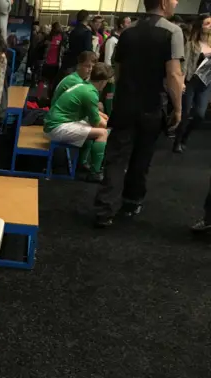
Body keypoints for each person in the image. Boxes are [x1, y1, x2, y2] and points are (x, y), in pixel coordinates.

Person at [93, 0, 184, 228]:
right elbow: (173, 75)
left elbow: (119, 70)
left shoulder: (128, 31)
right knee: (142, 157)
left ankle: (104, 209)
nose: (177, 2)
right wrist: (179, 108)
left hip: (125, 105)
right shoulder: (173, 31)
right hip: (152, 106)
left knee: (115, 157)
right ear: (163, 3)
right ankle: (131, 203)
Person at [44, 63, 113, 182]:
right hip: (56, 127)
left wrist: (103, 118)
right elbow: (96, 122)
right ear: (103, 82)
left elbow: (93, 113)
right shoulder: (90, 93)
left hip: (54, 123)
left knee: (92, 128)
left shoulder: (84, 85)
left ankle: (82, 164)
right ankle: (95, 173)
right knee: (102, 133)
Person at [173, 14, 211, 153]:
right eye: (207, 23)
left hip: (206, 83)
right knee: (185, 113)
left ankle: (185, 137)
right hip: (190, 81)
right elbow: (185, 64)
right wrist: (181, 82)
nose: (210, 26)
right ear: (201, 25)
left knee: (200, 115)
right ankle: (177, 141)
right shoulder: (191, 43)